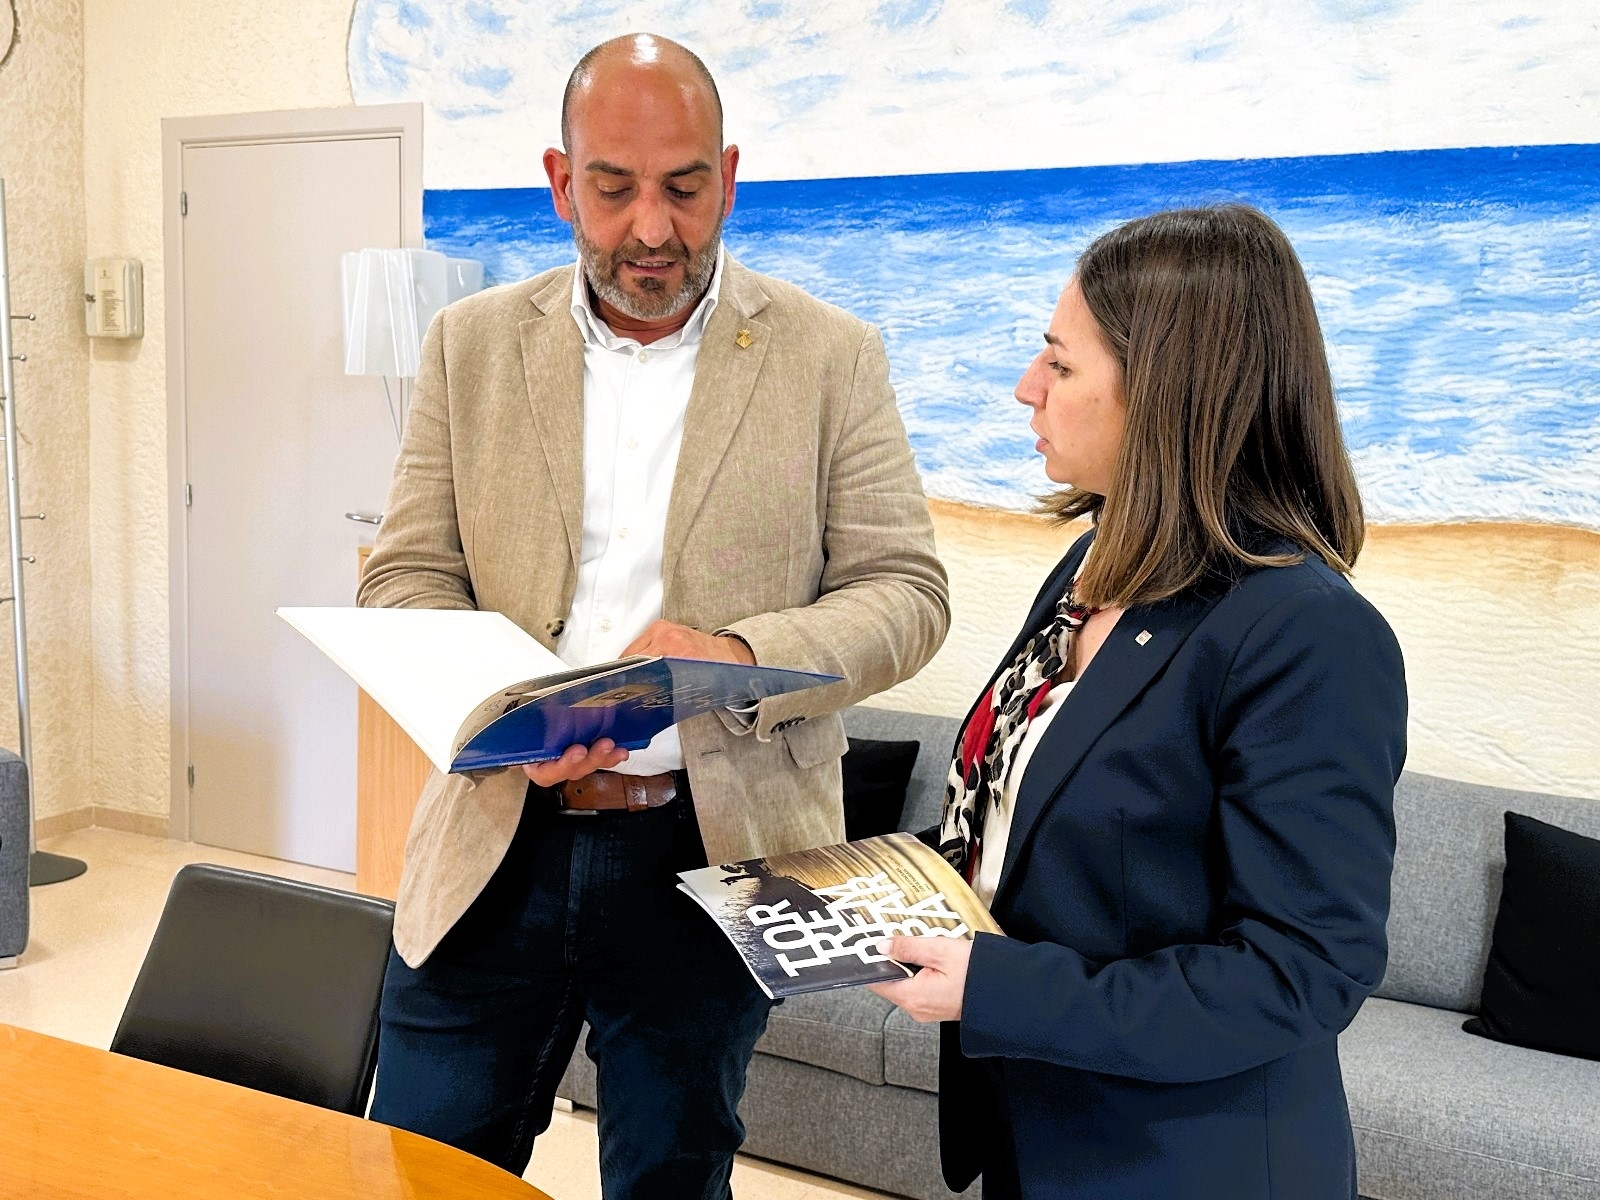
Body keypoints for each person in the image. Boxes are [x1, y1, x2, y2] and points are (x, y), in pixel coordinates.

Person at [358, 33, 949, 1199]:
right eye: (614, 188)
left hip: (716, 850)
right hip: (494, 839)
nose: (650, 229)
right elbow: (406, 577)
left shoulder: (832, 356)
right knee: (423, 1170)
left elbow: (906, 593)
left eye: (683, 189)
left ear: (726, 176)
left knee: (671, 1180)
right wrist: (505, 711)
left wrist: (741, 653)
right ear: (560, 180)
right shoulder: (467, 345)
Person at [869, 204, 1407, 1199]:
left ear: (1163, 393)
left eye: (1060, 365)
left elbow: (1298, 974)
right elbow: (1014, 810)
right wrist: (878, 892)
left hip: (1184, 1162)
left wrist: (999, 987)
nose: (1025, 388)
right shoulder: (1093, 565)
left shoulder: (1306, 632)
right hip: (1035, 1129)